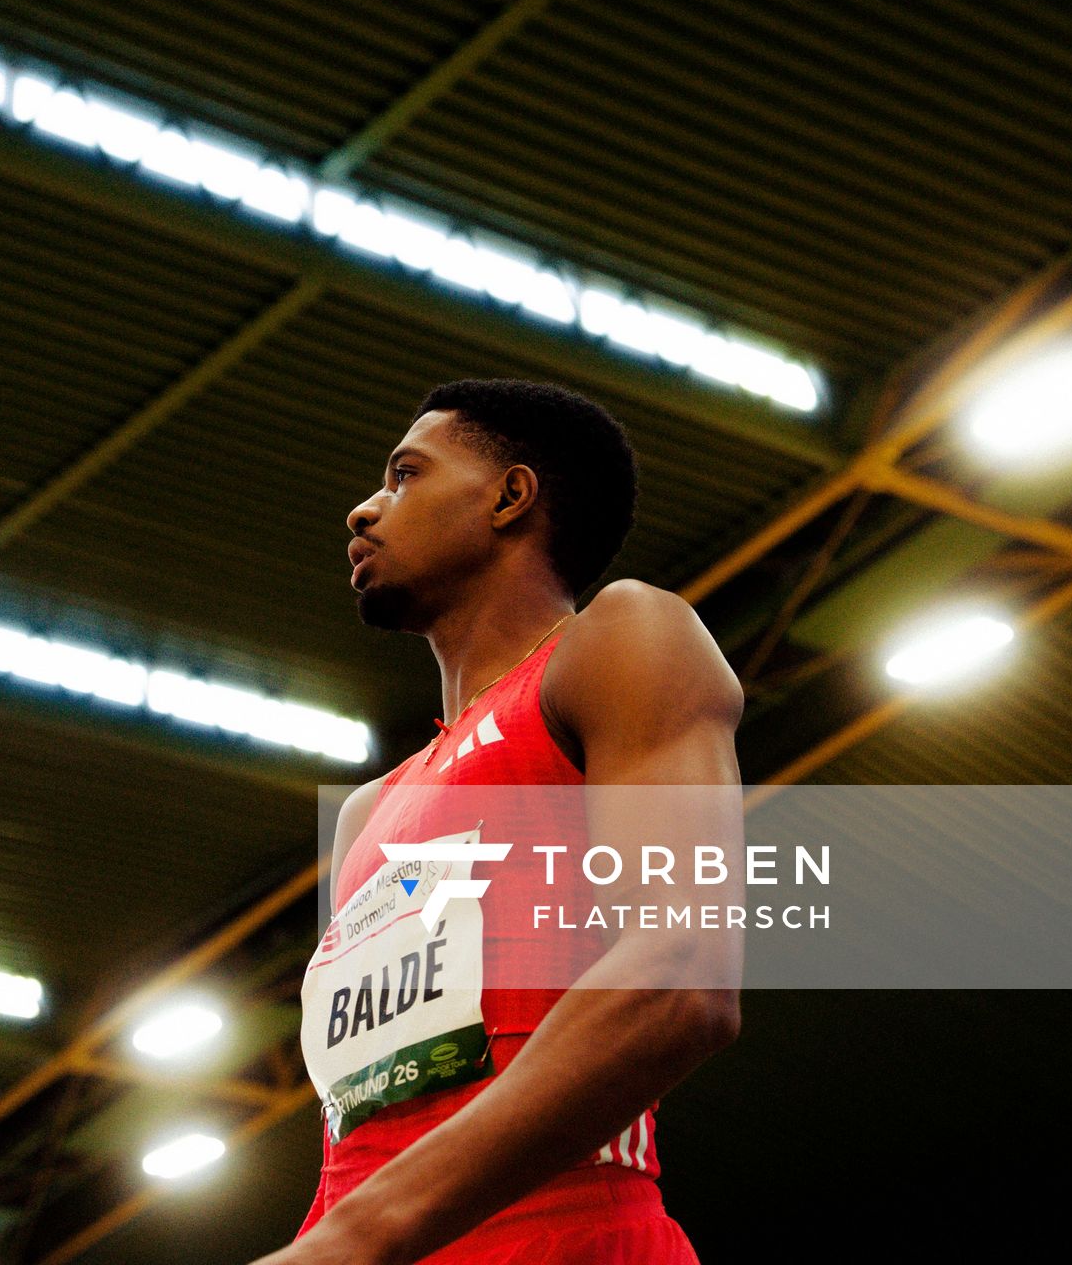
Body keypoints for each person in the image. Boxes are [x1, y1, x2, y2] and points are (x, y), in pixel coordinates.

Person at [255, 379, 744, 1265]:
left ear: (511, 497)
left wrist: (355, 1239)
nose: (364, 511)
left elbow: (682, 977)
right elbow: (367, 1117)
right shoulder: (368, 812)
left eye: (405, 475)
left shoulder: (622, 639)